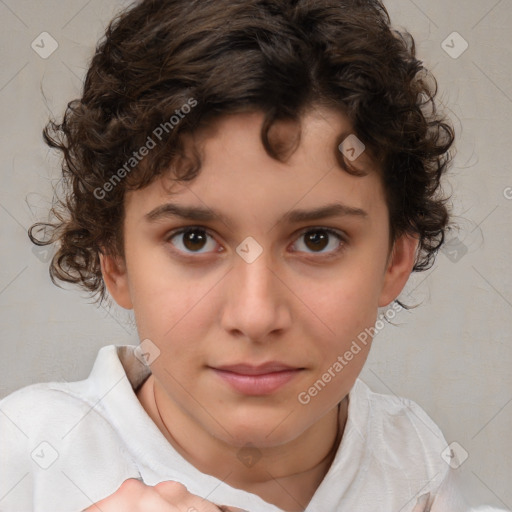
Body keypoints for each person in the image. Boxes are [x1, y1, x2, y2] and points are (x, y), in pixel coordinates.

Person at [0, 0, 507, 511]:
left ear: (394, 260)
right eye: (194, 239)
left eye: (317, 240)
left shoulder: (416, 465)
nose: (256, 315)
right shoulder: (28, 457)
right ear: (115, 261)